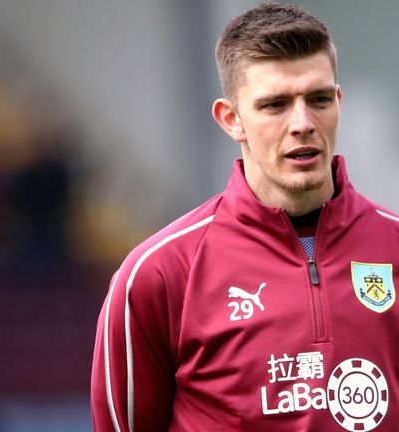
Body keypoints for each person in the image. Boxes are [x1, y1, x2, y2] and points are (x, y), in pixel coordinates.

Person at [91, 3, 399, 431]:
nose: (303, 123)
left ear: (338, 102)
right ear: (231, 118)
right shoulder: (158, 275)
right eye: (275, 105)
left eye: (319, 99)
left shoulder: (394, 246)